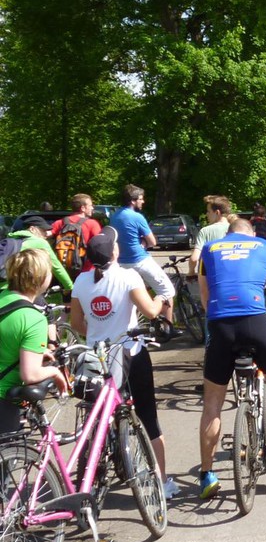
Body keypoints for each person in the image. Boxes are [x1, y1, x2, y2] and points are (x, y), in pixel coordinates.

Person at [198, 218, 266, 497]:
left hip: (221, 324)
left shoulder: (209, 250)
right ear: (252, 234)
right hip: (254, 321)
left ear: (228, 234)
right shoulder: (264, 247)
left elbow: (205, 295)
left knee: (212, 404)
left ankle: (207, 474)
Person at [70, 226, 179, 498]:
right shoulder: (128, 277)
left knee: (98, 415)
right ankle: (162, 483)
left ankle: (95, 466)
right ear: (115, 253)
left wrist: (99, 330)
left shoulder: (81, 282)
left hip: (96, 357)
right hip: (129, 353)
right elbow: (152, 312)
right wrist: (163, 296)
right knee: (148, 417)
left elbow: (76, 324)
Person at [0, 249, 66, 436]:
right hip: (3, 400)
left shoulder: (2, 297)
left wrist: (29, 352)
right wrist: (55, 372)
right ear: (40, 278)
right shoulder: (34, 318)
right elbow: (30, 374)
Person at [110, 184, 178, 337]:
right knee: (167, 290)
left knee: (132, 294)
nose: (143, 202)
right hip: (139, 259)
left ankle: (138, 325)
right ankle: (167, 328)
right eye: (141, 199)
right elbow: (153, 242)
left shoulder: (114, 216)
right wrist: (144, 242)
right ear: (133, 201)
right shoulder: (137, 217)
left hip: (121, 263)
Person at [49, 193, 102, 275]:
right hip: (86, 271)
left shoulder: (60, 223)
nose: (92, 208)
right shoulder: (92, 224)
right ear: (83, 208)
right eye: (90, 205)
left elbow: (44, 236)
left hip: (63, 271)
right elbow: (100, 247)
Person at [188, 195, 233, 277]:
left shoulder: (205, 231)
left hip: (212, 277)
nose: (206, 214)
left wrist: (191, 272)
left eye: (208, 211)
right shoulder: (236, 228)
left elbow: (194, 258)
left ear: (217, 213)